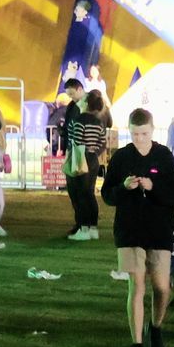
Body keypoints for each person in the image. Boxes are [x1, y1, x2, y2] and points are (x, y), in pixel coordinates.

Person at [101, 108, 174, 347]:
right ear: (129, 130)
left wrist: (154, 187)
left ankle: (156, 327)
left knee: (162, 288)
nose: (139, 139)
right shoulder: (121, 157)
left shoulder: (163, 156)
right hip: (130, 229)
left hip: (160, 229)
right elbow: (107, 195)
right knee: (136, 287)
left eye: (144, 134)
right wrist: (123, 187)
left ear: (152, 130)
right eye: (135, 134)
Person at [65, 88, 109, 241]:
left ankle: (83, 228)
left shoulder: (79, 120)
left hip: (80, 159)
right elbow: (103, 142)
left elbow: (76, 141)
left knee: (80, 194)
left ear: (86, 104)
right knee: (90, 194)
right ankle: (93, 228)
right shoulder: (98, 122)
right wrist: (94, 152)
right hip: (93, 160)